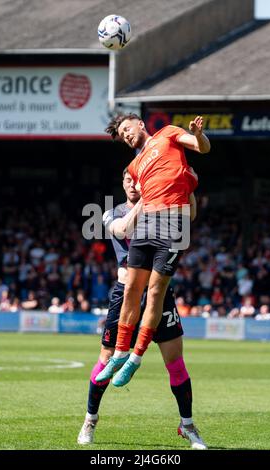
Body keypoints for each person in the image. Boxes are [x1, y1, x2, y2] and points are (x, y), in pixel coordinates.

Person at [77, 170, 207, 450]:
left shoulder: (164, 212)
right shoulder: (112, 213)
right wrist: (146, 200)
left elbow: (190, 216)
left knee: (176, 362)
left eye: (139, 180)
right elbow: (122, 229)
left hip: (160, 295)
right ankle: (90, 419)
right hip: (125, 296)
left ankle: (187, 425)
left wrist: (187, 185)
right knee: (106, 358)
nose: (134, 184)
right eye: (128, 180)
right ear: (123, 184)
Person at [96, 114, 210, 387]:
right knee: (132, 291)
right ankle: (120, 353)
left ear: (140, 124)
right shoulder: (134, 166)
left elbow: (202, 148)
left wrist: (198, 134)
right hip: (146, 223)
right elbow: (139, 200)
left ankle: (135, 358)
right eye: (122, 135)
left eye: (127, 129)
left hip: (173, 222)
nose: (126, 135)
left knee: (156, 291)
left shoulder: (168, 133)